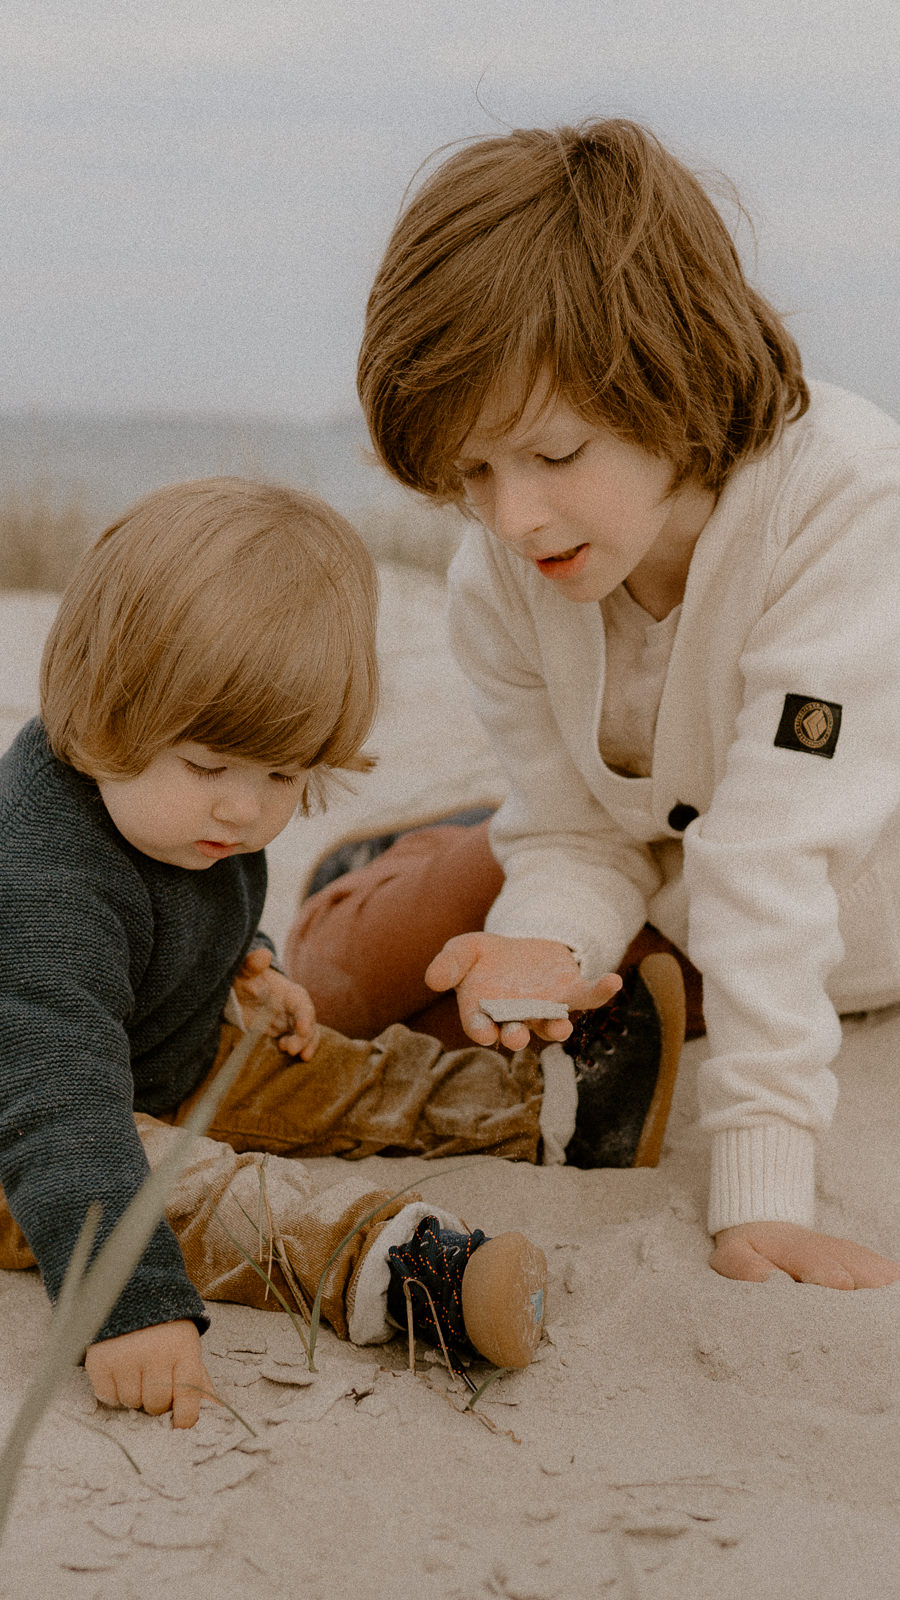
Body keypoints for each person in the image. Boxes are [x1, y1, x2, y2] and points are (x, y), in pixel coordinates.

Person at [287, 118, 900, 1292]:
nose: (512, 517)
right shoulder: (506, 571)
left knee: (463, 1034)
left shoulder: (846, 504)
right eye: (473, 474)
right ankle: (394, 865)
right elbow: (573, 830)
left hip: (816, 897)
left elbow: (776, 857)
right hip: (642, 846)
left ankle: (425, 860)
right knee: (337, 978)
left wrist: (761, 1189)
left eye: (554, 453)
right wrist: (547, 944)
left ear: (674, 379)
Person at [0, 477, 554, 1430]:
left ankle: (541, 1106)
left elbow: (184, 904)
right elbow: (58, 1098)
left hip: (163, 1056)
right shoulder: (39, 881)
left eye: (285, 773)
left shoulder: (181, 818)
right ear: (100, 706)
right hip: (40, 1136)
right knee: (199, 1192)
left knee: (331, 1071)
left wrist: (246, 963)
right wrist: (123, 1309)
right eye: (210, 766)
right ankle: (394, 1266)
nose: (245, 809)